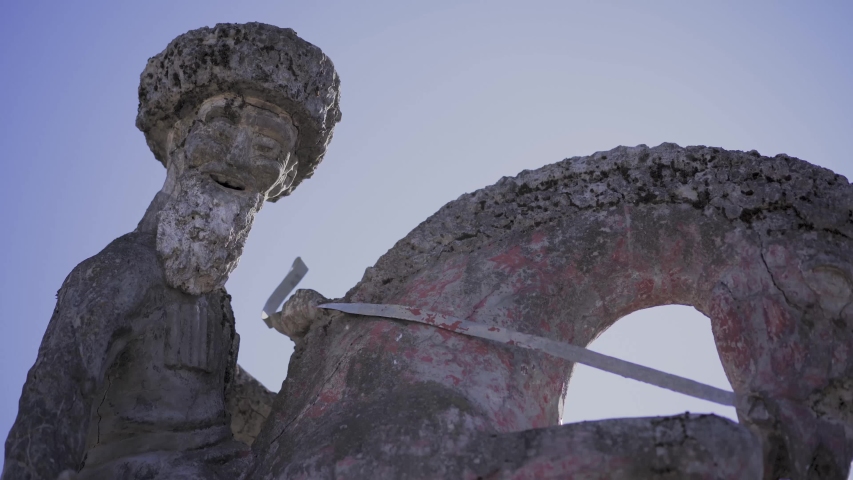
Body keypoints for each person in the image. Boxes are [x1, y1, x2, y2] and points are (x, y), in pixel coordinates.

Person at [2, 22, 341, 480]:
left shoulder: (218, 307)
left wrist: (314, 340)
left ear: (276, 180)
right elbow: (54, 397)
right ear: (178, 140)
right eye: (219, 134)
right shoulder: (118, 272)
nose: (237, 159)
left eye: (266, 148)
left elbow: (254, 418)